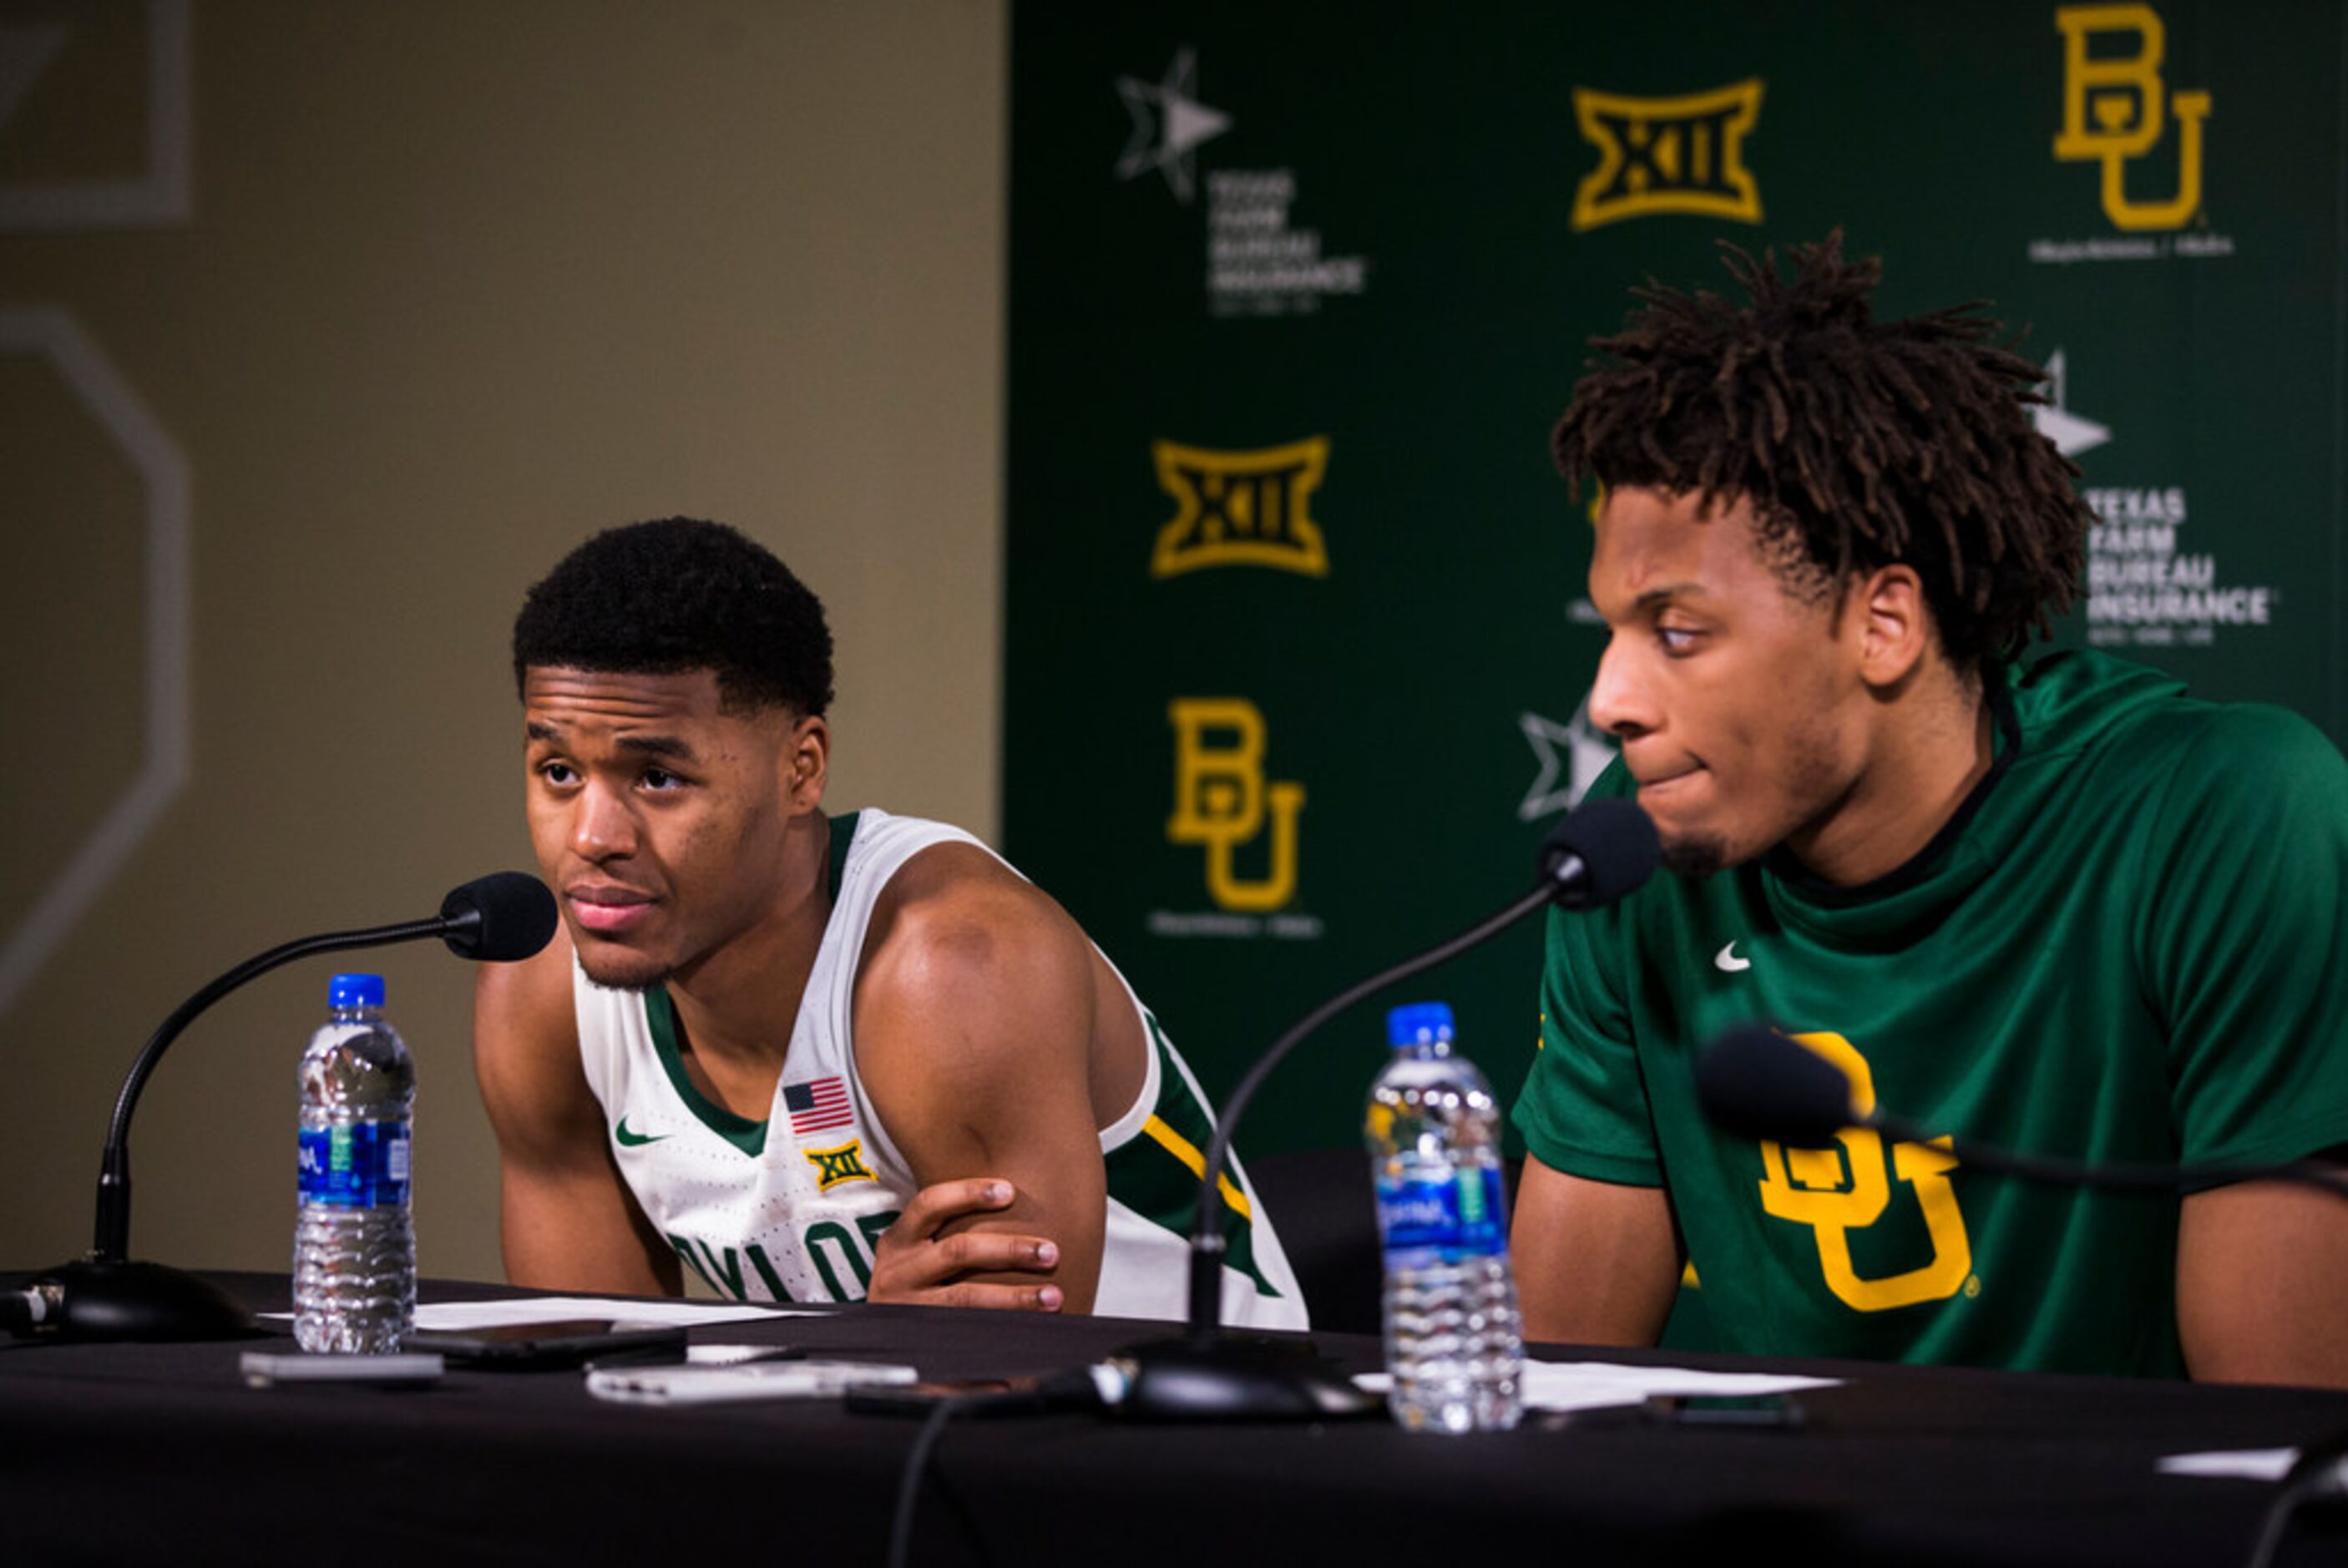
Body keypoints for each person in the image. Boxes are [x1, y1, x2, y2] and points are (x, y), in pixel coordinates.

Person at [1511, 234, 2348, 1383]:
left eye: (1680, 631)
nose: (1609, 698)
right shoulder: (1637, 842)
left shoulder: (2220, 812)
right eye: (1610, 628)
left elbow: (2282, 1430)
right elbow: (1548, 1389)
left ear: (1883, 623)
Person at [473, 518, 1303, 1324]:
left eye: (657, 778)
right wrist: (854, 1337)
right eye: (558, 772)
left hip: (1208, 1444)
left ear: (802, 769)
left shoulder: (950, 967)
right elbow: (585, 1391)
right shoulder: (541, 989)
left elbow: (999, 1399)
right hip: (856, 1436)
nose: (591, 838)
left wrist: (845, 1345)